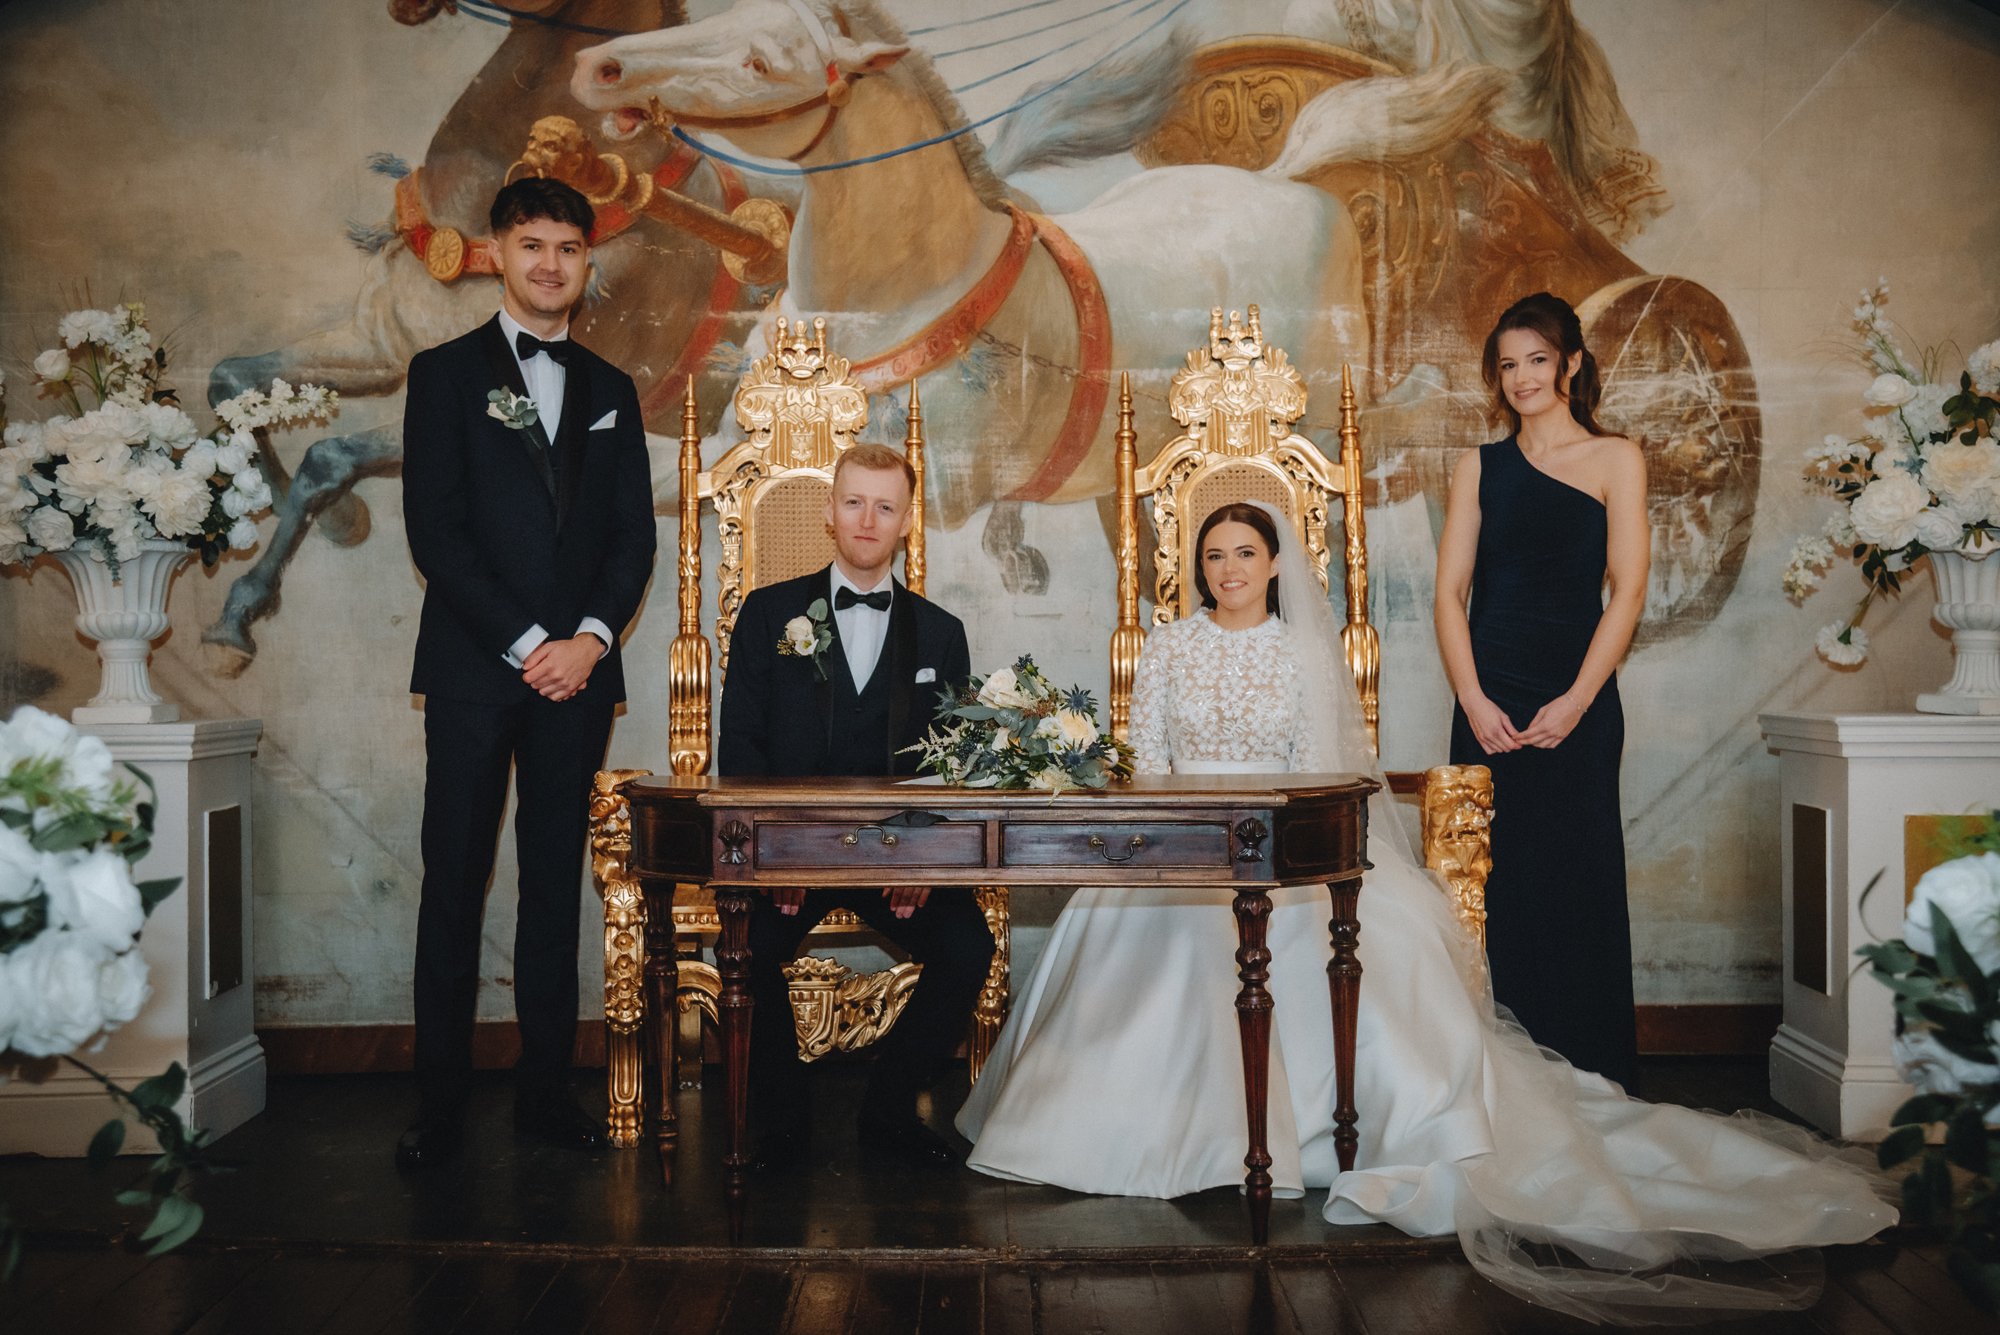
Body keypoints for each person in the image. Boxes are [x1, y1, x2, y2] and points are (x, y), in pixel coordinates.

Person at [958, 500, 1892, 1323]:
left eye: (1245, 553)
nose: (1228, 570)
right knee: (1140, 930)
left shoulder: (1297, 651)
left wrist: (1278, 849)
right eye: (1213, 557)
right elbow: (1145, 754)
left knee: (1380, 940)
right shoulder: (1167, 645)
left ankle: (1345, 1126)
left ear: (1277, 563)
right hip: (1184, 840)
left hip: (1283, 841)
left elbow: (1323, 770)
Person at [397, 177, 656, 1170]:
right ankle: (439, 1107)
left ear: (587, 263)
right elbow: (438, 534)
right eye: (532, 244)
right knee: (453, 884)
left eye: (568, 248)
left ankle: (546, 1096)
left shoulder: (610, 391)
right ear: (497, 254)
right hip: (473, 672)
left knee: (554, 884)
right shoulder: (443, 375)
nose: (551, 263)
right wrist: (524, 645)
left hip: (579, 677)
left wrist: (586, 640)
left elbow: (629, 540)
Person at [718, 443, 994, 1170]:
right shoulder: (769, 613)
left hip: (894, 855)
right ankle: (782, 1118)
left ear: (906, 522)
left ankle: (888, 1107)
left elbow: (950, 763)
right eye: (853, 502)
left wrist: (922, 856)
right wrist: (774, 857)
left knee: (969, 947)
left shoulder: (941, 633)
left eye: (885, 506)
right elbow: (740, 747)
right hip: (787, 853)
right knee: (747, 944)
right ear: (828, 513)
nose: (867, 519)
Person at [1435, 290, 1645, 1090]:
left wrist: (1579, 699)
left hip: (1579, 703)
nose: (1521, 377)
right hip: (1489, 704)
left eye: (1538, 361)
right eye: (1508, 364)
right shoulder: (1477, 467)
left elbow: (1626, 590)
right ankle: (1502, 1083)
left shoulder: (1616, 458)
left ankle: (1593, 1078)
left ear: (1572, 364)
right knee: (1496, 887)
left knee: (1579, 881)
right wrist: (1474, 701)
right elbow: (1449, 596)